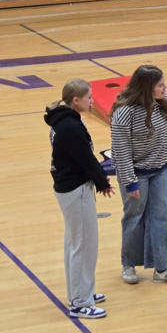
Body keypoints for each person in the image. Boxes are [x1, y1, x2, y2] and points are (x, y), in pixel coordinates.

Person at [110, 65, 167, 283]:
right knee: (134, 217)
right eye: (160, 85)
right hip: (135, 173)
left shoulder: (165, 103)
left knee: (162, 217)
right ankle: (129, 265)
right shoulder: (124, 111)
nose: (165, 88)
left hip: (160, 170)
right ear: (147, 88)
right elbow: (120, 148)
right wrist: (129, 181)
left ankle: (163, 268)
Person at [45, 78, 116, 319]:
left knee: (75, 243)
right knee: (84, 245)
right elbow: (87, 159)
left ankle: (81, 291)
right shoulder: (70, 128)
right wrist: (103, 182)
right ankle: (79, 302)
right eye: (88, 97)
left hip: (68, 187)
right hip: (76, 189)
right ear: (75, 100)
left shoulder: (64, 120)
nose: (92, 101)